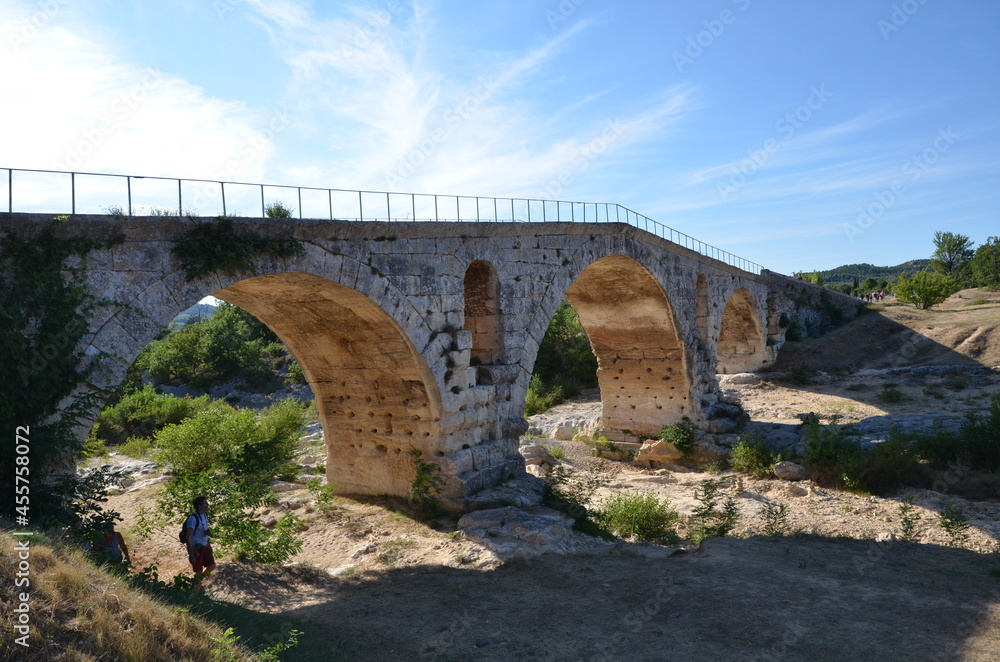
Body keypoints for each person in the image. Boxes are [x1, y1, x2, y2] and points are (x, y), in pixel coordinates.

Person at [185, 495, 216, 577]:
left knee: (212, 566)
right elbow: (188, 538)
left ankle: (199, 581)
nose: (207, 504)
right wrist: (192, 555)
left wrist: (209, 544)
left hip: (205, 546)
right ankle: (196, 587)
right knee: (198, 572)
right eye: (205, 503)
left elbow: (205, 532)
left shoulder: (204, 515)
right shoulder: (193, 519)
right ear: (199, 506)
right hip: (197, 549)